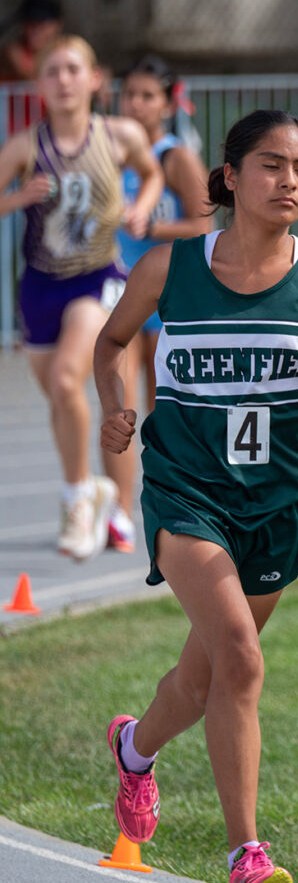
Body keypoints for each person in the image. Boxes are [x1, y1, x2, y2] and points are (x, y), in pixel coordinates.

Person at [94, 109, 298, 883]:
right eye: (272, 166)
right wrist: (117, 405)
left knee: (202, 674)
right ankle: (246, 853)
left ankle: (135, 749)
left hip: (277, 504)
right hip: (186, 492)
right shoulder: (170, 268)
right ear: (231, 175)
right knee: (242, 662)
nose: (290, 182)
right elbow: (111, 344)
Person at [0, 34, 162, 560]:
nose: (64, 80)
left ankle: (79, 498)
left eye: (74, 69)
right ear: (39, 84)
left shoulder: (118, 135)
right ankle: (93, 489)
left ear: (94, 79)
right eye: (53, 71)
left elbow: (152, 171)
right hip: (41, 285)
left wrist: (144, 208)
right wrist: (15, 199)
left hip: (98, 278)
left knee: (72, 379)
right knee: (61, 398)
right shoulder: (25, 146)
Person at [118, 54, 212, 416]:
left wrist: (150, 226)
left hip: (166, 291)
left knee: (163, 407)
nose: (135, 104)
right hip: (121, 290)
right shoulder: (115, 153)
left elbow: (203, 226)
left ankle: (165, 474)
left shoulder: (176, 157)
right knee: (118, 407)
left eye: (147, 96)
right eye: (129, 94)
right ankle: (118, 476)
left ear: (168, 103)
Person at [0, 0, 63, 132]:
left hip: (46, 138)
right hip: (12, 138)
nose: (34, 30)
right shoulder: (13, 53)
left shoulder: (62, 54)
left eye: (41, 24)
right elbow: (28, 72)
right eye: (29, 24)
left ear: (57, 25)